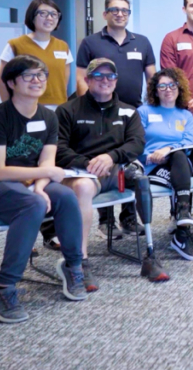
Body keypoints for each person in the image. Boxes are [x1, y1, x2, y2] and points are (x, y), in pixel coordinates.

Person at [0, 55, 87, 323]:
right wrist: (44, 178)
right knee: (33, 204)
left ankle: (74, 266)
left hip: (27, 187)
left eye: (41, 75)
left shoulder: (48, 117)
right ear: (11, 82)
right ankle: (4, 285)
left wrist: (41, 186)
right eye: (28, 75)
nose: (37, 80)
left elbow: (46, 163)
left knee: (65, 196)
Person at [56, 59, 168, 286]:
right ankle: (79, 263)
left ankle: (150, 256)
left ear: (116, 81)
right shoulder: (67, 110)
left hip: (116, 169)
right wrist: (87, 163)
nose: (105, 80)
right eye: (98, 76)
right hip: (82, 172)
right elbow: (58, 148)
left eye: (110, 76)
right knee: (82, 187)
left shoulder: (128, 111)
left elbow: (137, 144)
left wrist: (111, 157)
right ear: (87, 80)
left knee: (142, 180)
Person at [76, 0, 157, 238]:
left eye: (124, 10)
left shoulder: (142, 42)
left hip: (132, 112)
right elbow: (81, 78)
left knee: (129, 162)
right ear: (105, 14)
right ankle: (106, 221)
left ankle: (129, 218)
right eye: (114, 10)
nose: (120, 14)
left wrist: (152, 107)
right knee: (103, 161)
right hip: (100, 112)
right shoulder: (90, 42)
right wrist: (87, 108)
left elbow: (152, 78)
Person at [138, 68, 193, 261]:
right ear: (155, 91)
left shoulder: (185, 115)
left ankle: (182, 216)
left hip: (179, 163)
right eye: (162, 86)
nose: (168, 89)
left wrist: (168, 149)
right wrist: (149, 156)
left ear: (179, 88)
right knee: (179, 159)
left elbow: (188, 142)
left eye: (172, 85)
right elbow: (135, 142)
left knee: (179, 155)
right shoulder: (144, 112)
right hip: (152, 165)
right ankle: (182, 229)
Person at [0, 0, 73, 107]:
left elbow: (63, 82)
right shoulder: (15, 45)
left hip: (58, 107)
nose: (49, 18)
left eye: (54, 14)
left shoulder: (63, 46)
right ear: (32, 17)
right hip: (26, 108)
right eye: (43, 13)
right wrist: (10, 110)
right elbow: (1, 84)